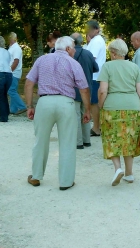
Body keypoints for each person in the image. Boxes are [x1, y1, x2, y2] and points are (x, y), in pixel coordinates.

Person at [25, 36, 91, 190]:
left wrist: (29, 106)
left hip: (45, 102)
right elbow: (84, 89)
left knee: (40, 141)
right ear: (68, 49)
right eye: (73, 47)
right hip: (66, 103)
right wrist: (87, 110)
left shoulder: (41, 60)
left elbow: (29, 83)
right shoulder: (73, 63)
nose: (74, 50)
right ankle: (66, 181)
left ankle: (36, 176)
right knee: (68, 142)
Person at [98, 38, 140, 186]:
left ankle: (118, 168)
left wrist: (101, 107)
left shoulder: (107, 67)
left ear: (113, 53)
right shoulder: (134, 67)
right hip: (132, 106)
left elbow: (102, 91)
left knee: (112, 138)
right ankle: (129, 174)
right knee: (129, 139)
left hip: (112, 107)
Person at [70, 33, 97, 149]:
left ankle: (78, 142)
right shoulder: (88, 53)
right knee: (86, 113)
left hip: (74, 89)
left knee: (75, 115)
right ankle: (87, 140)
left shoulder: (69, 55)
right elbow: (96, 68)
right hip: (87, 88)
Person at [84, 19, 107, 137]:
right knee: (94, 102)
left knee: (94, 102)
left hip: (94, 75)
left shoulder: (97, 41)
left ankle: (96, 127)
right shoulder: (95, 41)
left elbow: (90, 58)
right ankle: (97, 126)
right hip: (94, 75)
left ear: (96, 29)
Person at [7, 32, 28, 115]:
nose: (9, 39)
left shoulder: (16, 48)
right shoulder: (12, 48)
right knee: (13, 90)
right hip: (13, 72)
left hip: (14, 73)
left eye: (10, 38)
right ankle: (13, 109)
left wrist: (10, 71)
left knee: (11, 90)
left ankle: (22, 106)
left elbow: (16, 61)